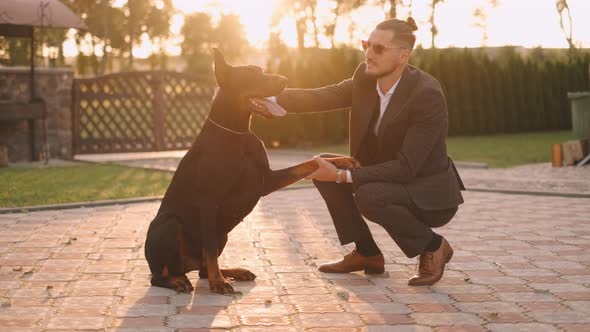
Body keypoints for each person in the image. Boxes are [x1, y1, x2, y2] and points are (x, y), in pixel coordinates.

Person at [256, 17, 465, 286]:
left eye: (379, 48)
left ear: (403, 55)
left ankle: (434, 246)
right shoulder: (365, 79)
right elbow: (324, 96)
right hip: (387, 178)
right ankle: (367, 254)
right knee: (321, 167)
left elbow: (407, 167)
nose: (368, 53)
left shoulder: (426, 93)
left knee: (368, 194)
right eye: (367, 44)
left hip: (426, 193)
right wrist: (270, 98)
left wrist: (342, 177)